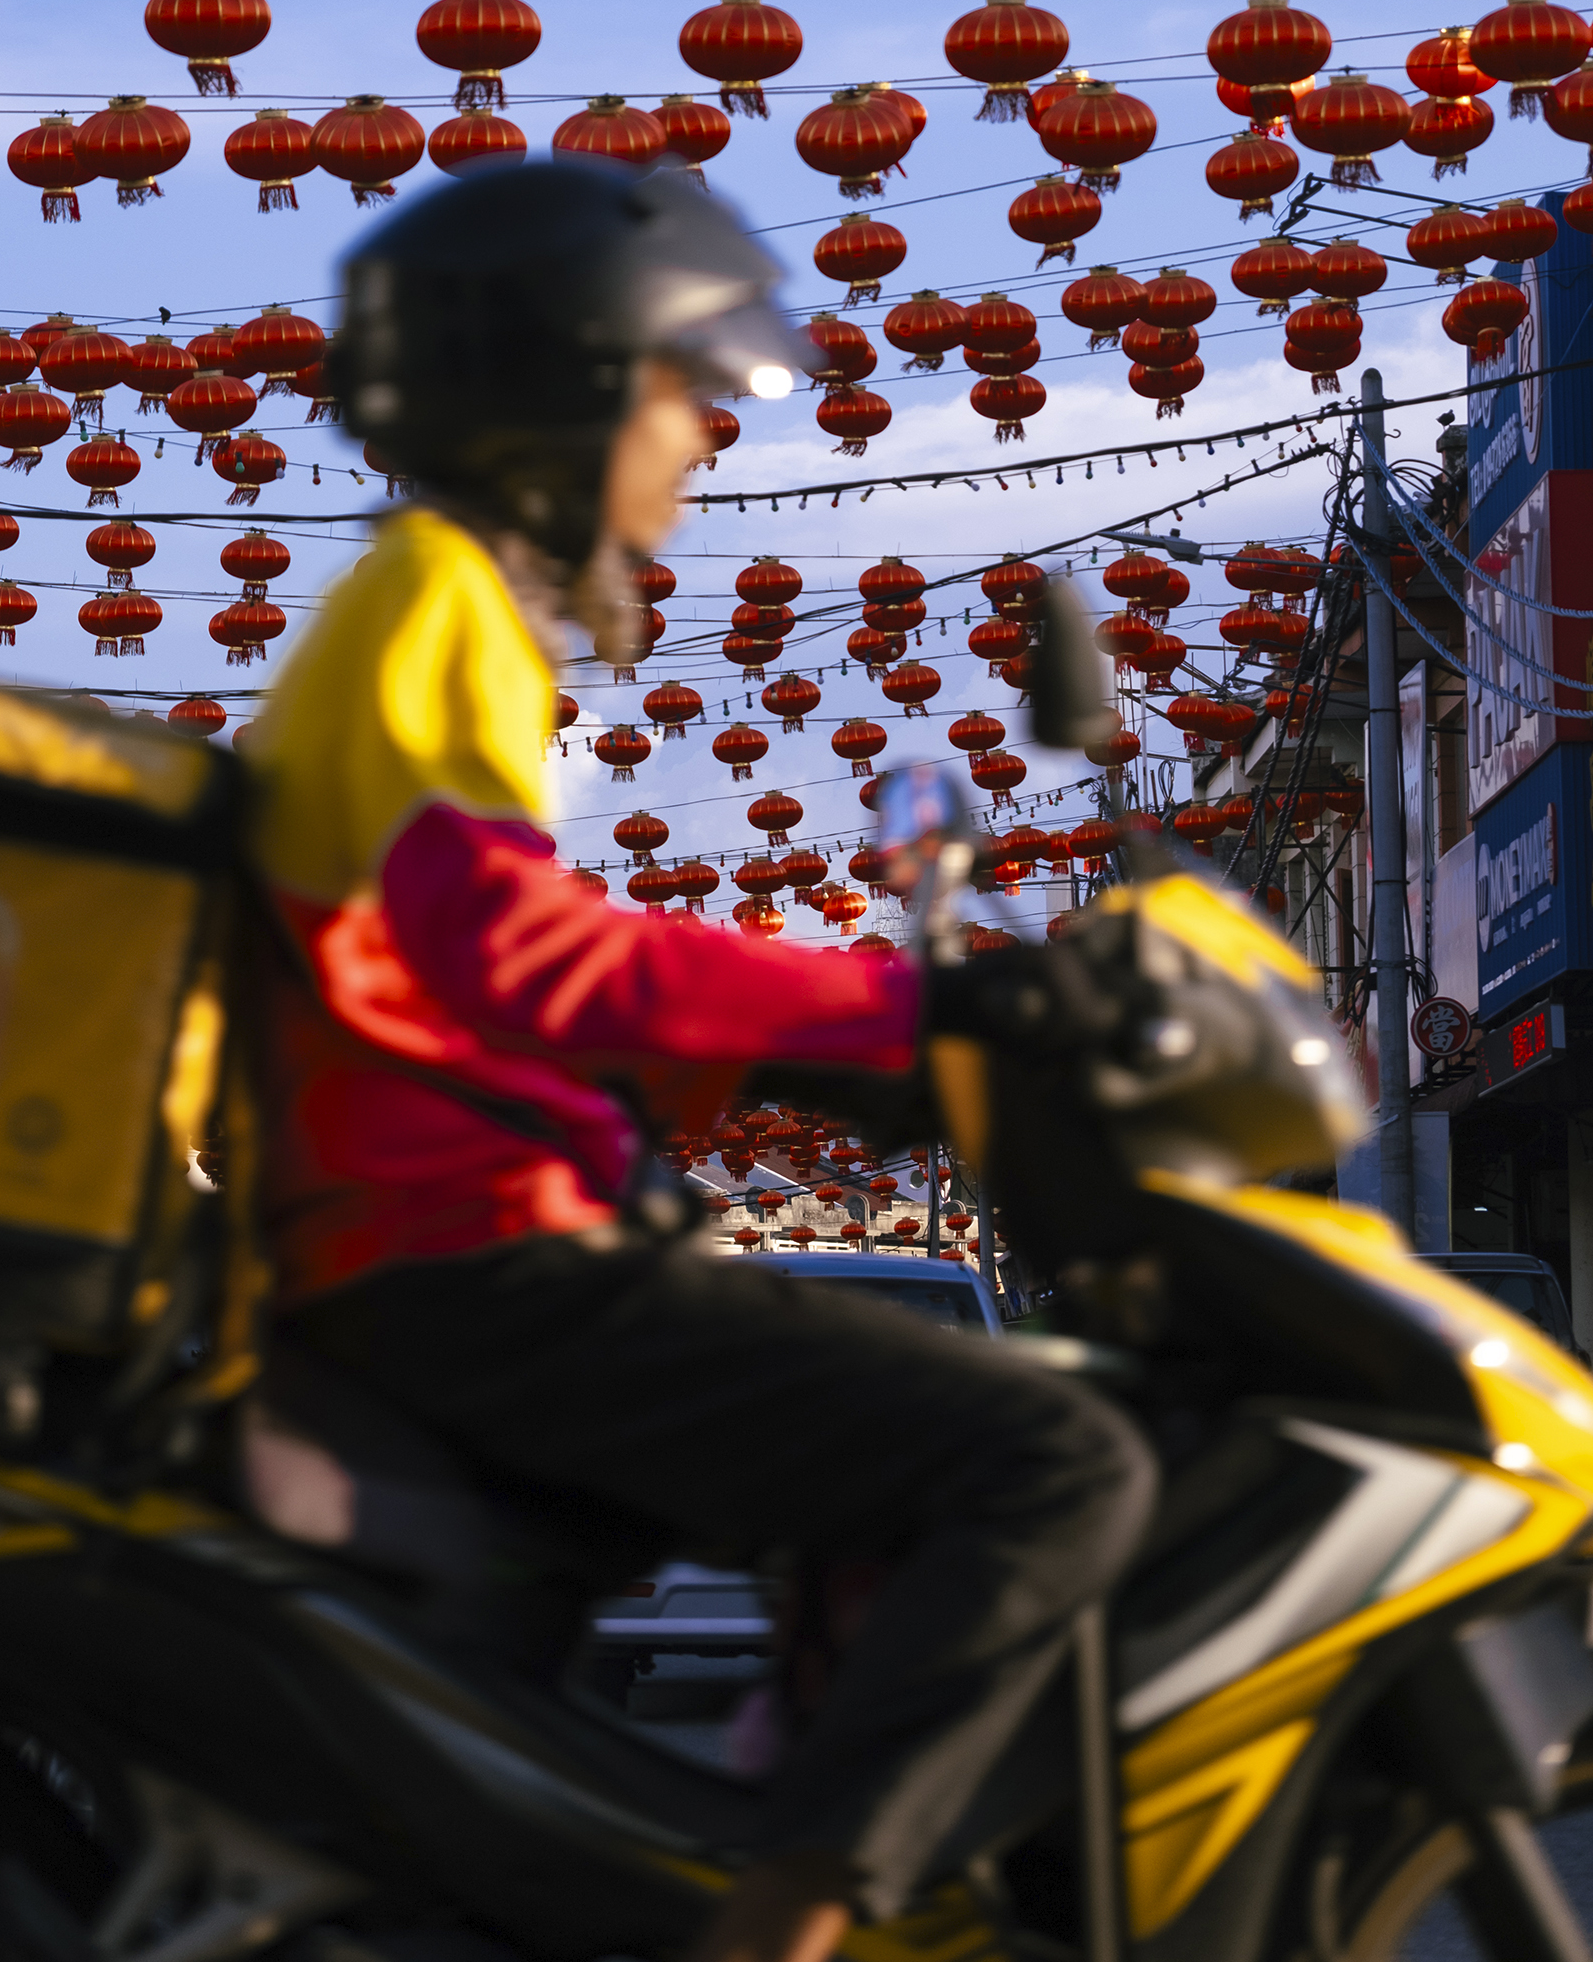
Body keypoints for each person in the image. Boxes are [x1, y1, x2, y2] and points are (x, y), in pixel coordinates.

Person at [241, 161, 1154, 1962]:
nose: (702, 436)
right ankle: (790, 1932)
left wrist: (763, 1065)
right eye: (680, 390)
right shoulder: (437, 600)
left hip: (446, 1230)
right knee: (1058, 1466)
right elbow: (505, 949)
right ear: (567, 389)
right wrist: (888, 1014)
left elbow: (462, 987)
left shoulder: (443, 607)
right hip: (473, 1253)